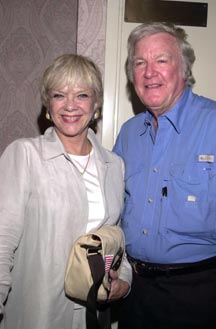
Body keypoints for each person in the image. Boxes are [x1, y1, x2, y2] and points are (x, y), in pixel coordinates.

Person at [0, 54, 132, 329]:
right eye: (59, 95)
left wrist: (124, 282)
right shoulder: (25, 155)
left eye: (82, 94)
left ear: (96, 104)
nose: (70, 105)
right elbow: (2, 241)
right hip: (38, 312)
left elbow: (116, 239)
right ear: (48, 105)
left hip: (94, 314)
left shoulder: (114, 165)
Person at [113, 21, 216, 329]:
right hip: (134, 292)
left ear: (183, 68)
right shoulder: (129, 134)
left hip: (199, 295)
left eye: (161, 60)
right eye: (139, 62)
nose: (149, 72)